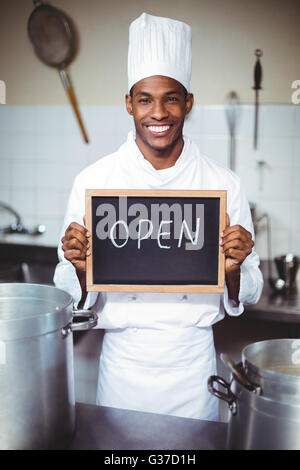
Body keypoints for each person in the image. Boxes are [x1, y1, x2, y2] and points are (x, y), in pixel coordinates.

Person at [54, 12, 263, 421]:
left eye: (171, 97)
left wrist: (234, 269)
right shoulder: (94, 181)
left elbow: (249, 286)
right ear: (129, 103)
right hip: (123, 368)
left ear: (188, 102)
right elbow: (67, 290)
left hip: (193, 367)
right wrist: (79, 267)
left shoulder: (223, 184)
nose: (158, 113)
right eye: (145, 99)